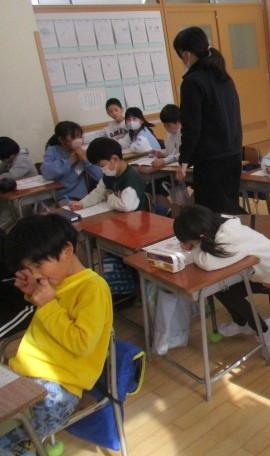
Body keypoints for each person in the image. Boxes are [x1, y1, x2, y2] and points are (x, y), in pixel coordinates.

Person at [0, 214, 112, 453]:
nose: (35, 274)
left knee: (5, 440)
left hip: (57, 389)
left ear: (67, 250)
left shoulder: (93, 287)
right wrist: (34, 292)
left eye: (38, 266)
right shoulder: (56, 278)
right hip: (27, 373)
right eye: (29, 268)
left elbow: (82, 343)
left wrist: (47, 304)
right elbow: (53, 320)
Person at [173, 205, 270, 359]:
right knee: (220, 288)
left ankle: (264, 330)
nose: (183, 245)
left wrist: (193, 250)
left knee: (226, 292)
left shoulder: (228, 236)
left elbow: (208, 263)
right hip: (251, 271)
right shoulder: (215, 225)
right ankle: (241, 322)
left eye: (186, 241)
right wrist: (196, 246)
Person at [173, 26, 244, 214]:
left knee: (211, 213)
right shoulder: (223, 76)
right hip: (233, 153)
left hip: (210, 158)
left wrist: (184, 160)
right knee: (228, 209)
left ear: (186, 54)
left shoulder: (192, 82)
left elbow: (191, 127)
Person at [68, 137, 146, 212]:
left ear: (114, 159)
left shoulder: (131, 178)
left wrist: (110, 197)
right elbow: (98, 193)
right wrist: (82, 203)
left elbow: (126, 206)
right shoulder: (109, 175)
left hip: (135, 218)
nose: (101, 170)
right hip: (119, 215)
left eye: (101, 166)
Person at [41, 121, 102, 200]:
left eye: (80, 136)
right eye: (74, 137)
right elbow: (46, 172)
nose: (78, 140)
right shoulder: (52, 150)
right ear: (61, 140)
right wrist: (69, 161)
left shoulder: (83, 152)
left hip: (83, 197)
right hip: (64, 197)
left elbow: (100, 176)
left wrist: (85, 160)